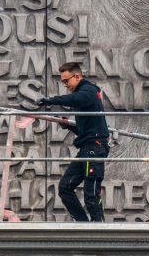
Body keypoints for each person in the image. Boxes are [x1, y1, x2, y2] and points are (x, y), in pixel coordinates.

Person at [30, 62, 111, 224]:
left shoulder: (88, 90)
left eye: (67, 81)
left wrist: (49, 100)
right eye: (63, 82)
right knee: (65, 187)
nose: (65, 85)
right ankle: (83, 223)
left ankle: (98, 226)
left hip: (95, 147)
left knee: (91, 191)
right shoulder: (85, 100)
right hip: (87, 147)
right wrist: (68, 125)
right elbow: (84, 131)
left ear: (77, 76)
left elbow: (75, 99)